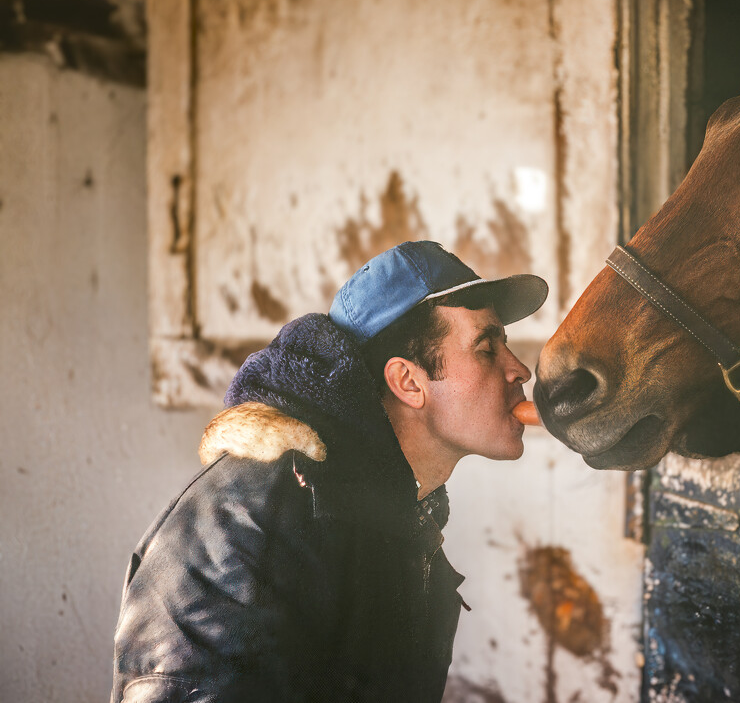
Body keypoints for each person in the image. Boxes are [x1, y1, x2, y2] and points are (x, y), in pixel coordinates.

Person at [110, 241, 548, 702]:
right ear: (408, 382)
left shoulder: (396, 524)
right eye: (486, 347)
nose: (519, 370)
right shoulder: (256, 524)